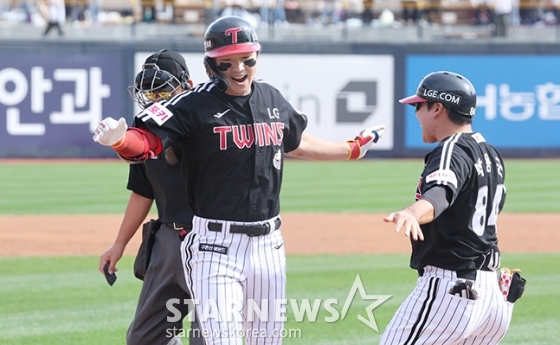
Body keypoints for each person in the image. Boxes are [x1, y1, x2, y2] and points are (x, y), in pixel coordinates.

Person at [93, 15, 386, 345]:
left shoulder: (271, 99)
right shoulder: (191, 104)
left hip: (268, 246)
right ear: (209, 65)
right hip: (213, 245)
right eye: (226, 62)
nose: (239, 69)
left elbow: (296, 141)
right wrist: (121, 141)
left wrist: (350, 149)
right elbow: (145, 144)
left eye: (247, 60)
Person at [381, 71, 515, 344]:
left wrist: (412, 212)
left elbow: (440, 194)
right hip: (493, 296)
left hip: (452, 290)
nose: (416, 113)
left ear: (437, 108)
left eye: (418, 106)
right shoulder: (489, 152)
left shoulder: (451, 149)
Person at [98, 49, 202, 345]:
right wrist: (119, 244)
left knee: (208, 338)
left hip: (211, 240)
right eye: (150, 93)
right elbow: (143, 191)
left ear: (188, 86)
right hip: (168, 241)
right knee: (145, 338)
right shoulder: (145, 129)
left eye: (163, 90)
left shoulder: (204, 122)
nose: (156, 99)